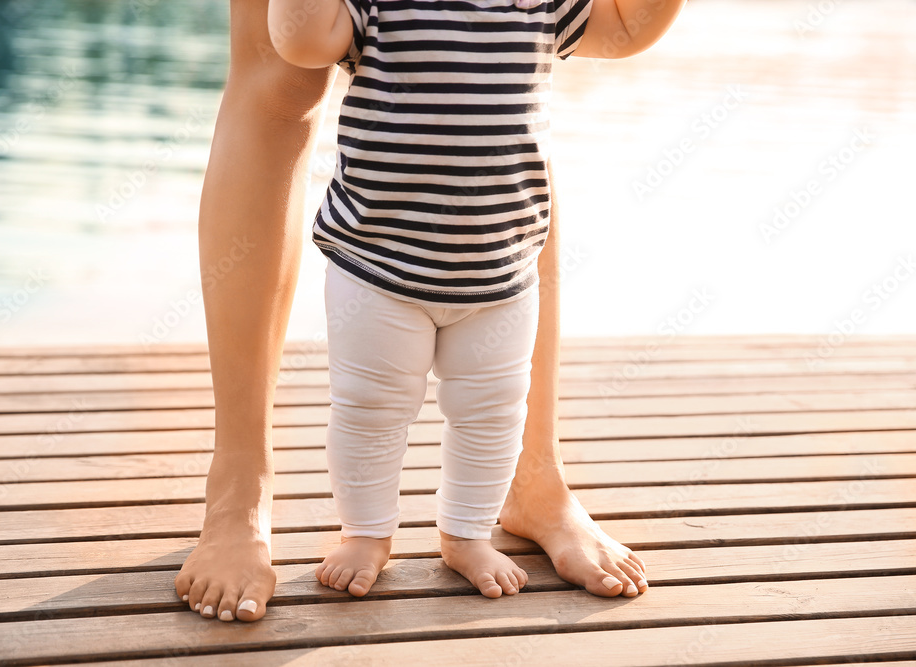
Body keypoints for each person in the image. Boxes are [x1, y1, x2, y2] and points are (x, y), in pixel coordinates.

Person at [175, 0, 684, 621]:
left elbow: (625, 28)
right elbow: (301, 40)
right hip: (377, 262)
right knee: (279, 74)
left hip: (499, 277)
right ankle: (244, 489)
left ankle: (533, 476)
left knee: (507, 74)